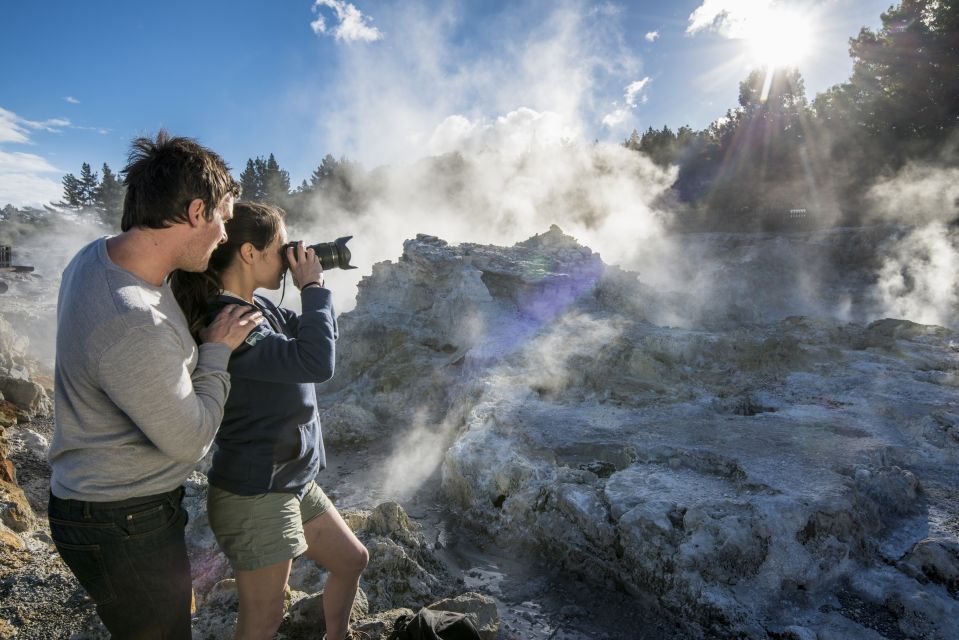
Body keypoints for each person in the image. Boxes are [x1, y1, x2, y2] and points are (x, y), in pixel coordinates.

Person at [47, 131, 264, 639]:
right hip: (122, 519)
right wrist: (217, 351)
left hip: (98, 505)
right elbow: (191, 440)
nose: (224, 236)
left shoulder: (100, 255)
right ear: (194, 213)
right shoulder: (133, 323)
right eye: (223, 219)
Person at [170, 202, 368, 640]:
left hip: (293, 480)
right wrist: (312, 286)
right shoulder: (232, 322)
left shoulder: (258, 306)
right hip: (257, 493)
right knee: (262, 622)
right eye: (281, 246)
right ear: (249, 253)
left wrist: (314, 286)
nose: (287, 254)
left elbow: (318, 335)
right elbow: (316, 362)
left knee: (353, 560)